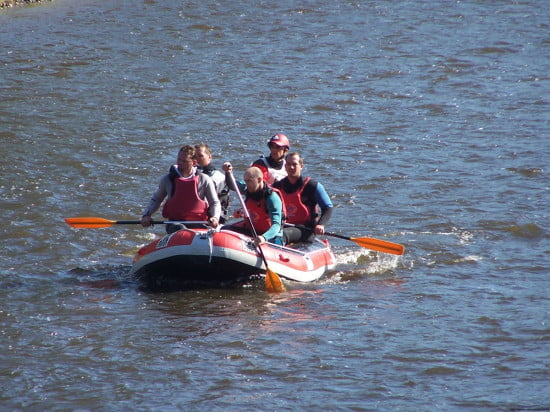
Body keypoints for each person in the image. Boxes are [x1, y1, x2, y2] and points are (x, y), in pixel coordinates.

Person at [140, 145, 221, 233]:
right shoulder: (168, 179)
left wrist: (215, 217)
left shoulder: (204, 179)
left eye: (184, 161)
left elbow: (214, 202)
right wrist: (146, 215)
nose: (180, 163)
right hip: (175, 223)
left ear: (194, 163)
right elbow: (156, 199)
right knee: (181, 229)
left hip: (198, 223)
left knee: (212, 233)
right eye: (179, 160)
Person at [272, 152, 333, 244]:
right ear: (285, 166)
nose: (291, 167)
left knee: (282, 234)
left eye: (295, 164)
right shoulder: (277, 186)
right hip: (283, 226)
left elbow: (328, 208)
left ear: (301, 166)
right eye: (288, 164)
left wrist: (320, 224)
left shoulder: (313, 186)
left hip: (305, 230)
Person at [222, 164, 284, 246]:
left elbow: (276, 225)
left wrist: (263, 238)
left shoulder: (271, 198)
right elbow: (233, 185)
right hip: (252, 230)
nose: (246, 184)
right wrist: (227, 172)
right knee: (224, 230)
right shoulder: (248, 188)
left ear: (259, 180)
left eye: (249, 181)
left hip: (270, 235)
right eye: (245, 181)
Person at [194, 143, 230, 223]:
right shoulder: (189, 176)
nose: (197, 159)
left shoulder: (219, 178)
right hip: (194, 217)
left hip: (213, 218)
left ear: (210, 157)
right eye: (195, 156)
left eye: (200, 156)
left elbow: (220, 203)